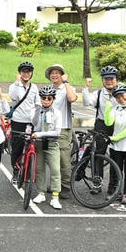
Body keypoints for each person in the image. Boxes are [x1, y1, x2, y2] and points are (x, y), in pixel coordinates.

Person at [45, 63, 78, 200]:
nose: (54, 75)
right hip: (50, 129)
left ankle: (65, 186)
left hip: (64, 128)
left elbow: (72, 98)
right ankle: (55, 184)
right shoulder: (48, 89)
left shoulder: (67, 88)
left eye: (57, 73)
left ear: (62, 75)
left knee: (64, 159)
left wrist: (66, 82)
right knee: (52, 159)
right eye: (52, 73)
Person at [30, 85, 63, 210]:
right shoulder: (36, 110)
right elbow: (33, 124)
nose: (46, 100)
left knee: (55, 170)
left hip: (51, 143)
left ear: (53, 99)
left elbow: (57, 132)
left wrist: (40, 133)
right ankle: (41, 193)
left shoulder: (57, 113)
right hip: (38, 143)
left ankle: (55, 197)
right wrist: (37, 112)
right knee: (39, 169)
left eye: (49, 98)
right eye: (43, 98)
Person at [83, 65, 120, 175]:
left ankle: (114, 184)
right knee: (99, 154)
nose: (109, 82)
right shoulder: (98, 94)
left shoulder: (121, 93)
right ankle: (97, 181)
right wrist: (86, 87)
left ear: (116, 79)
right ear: (102, 80)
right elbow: (87, 103)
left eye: (111, 79)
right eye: (106, 79)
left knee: (116, 155)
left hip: (118, 126)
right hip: (101, 125)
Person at [8, 61, 40, 177]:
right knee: (17, 148)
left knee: (30, 147)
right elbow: (13, 97)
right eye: (24, 71)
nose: (26, 74)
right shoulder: (14, 86)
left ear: (31, 73)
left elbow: (37, 104)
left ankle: (27, 171)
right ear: (20, 73)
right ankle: (16, 171)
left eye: (28, 72)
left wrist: (37, 119)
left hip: (30, 123)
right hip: (18, 121)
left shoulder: (34, 87)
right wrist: (17, 83)